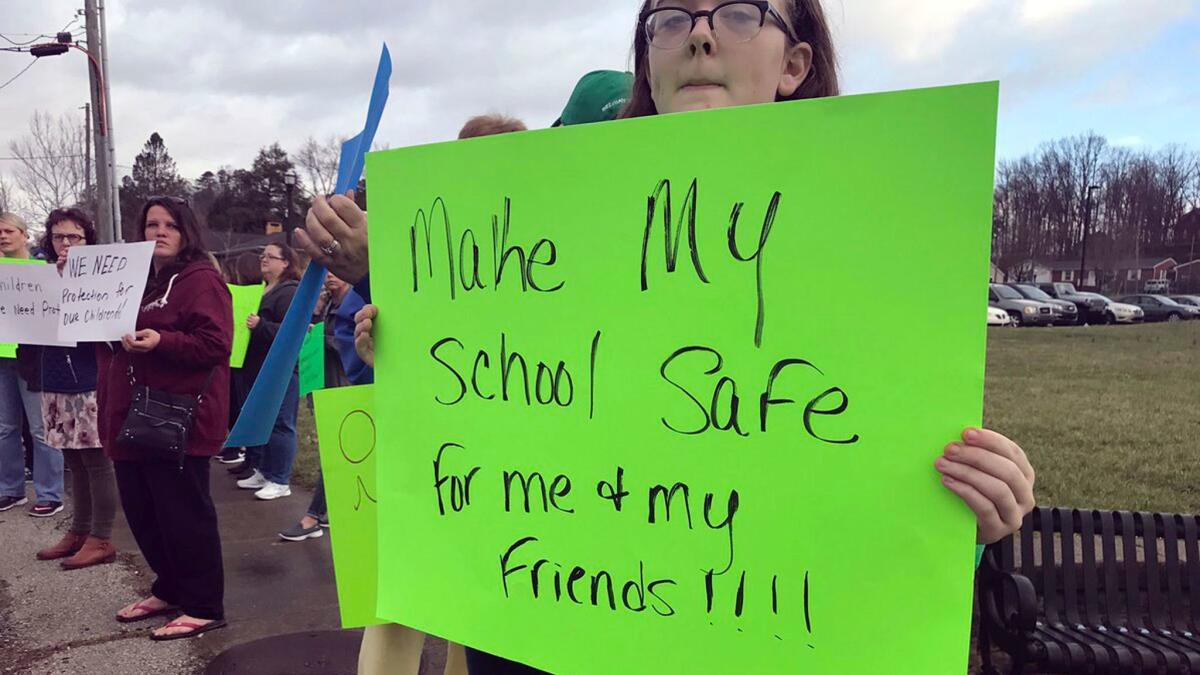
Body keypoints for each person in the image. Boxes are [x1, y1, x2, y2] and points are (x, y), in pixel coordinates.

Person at [103, 196, 232, 640]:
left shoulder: (200, 281)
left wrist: (162, 340)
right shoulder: (136, 281)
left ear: (186, 232)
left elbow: (216, 345)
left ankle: (203, 604)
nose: (157, 232)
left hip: (179, 419)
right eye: (150, 224)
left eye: (169, 225)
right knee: (145, 513)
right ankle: (170, 587)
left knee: (184, 514)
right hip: (133, 417)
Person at [32, 209, 120, 569]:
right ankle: (79, 531)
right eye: (58, 237)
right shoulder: (40, 277)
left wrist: (76, 278)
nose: (65, 244)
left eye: (74, 237)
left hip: (88, 380)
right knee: (73, 461)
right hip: (53, 379)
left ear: (88, 240)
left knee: (97, 462)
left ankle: (102, 536)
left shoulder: (103, 279)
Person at [277, 272, 353, 541]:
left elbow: (354, 344)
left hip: (344, 390)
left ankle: (313, 517)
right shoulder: (329, 304)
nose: (330, 275)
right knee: (337, 455)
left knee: (333, 455)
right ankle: (332, 511)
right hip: (324, 387)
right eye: (326, 271)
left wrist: (320, 338)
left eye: (336, 271)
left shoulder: (355, 302)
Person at [0, 211, 65, 517]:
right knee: (4, 427)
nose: (2, 236)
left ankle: (50, 493)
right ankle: (10, 489)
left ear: (24, 235)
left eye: (8, 230)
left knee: (41, 429)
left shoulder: (43, 269)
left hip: (34, 357)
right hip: (1, 357)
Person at [233, 242, 302, 501]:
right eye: (263, 255)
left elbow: (292, 330)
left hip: (281, 368)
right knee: (263, 421)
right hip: (257, 366)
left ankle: (281, 479)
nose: (264, 260)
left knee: (281, 423)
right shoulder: (261, 291)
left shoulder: (289, 292)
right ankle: (264, 470)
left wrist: (261, 325)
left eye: (270, 257)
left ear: (285, 262)